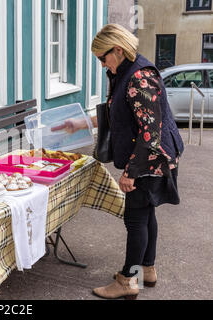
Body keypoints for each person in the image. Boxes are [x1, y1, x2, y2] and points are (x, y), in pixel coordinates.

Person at [52, 24, 184, 300]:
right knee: (146, 214)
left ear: (118, 50)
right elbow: (120, 114)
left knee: (135, 218)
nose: (102, 64)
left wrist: (130, 174)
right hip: (154, 158)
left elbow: (150, 134)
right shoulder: (127, 72)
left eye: (103, 57)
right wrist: (80, 123)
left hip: (150, 160)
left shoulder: (139, 77)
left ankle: (128, 280)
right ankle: (146, 269)